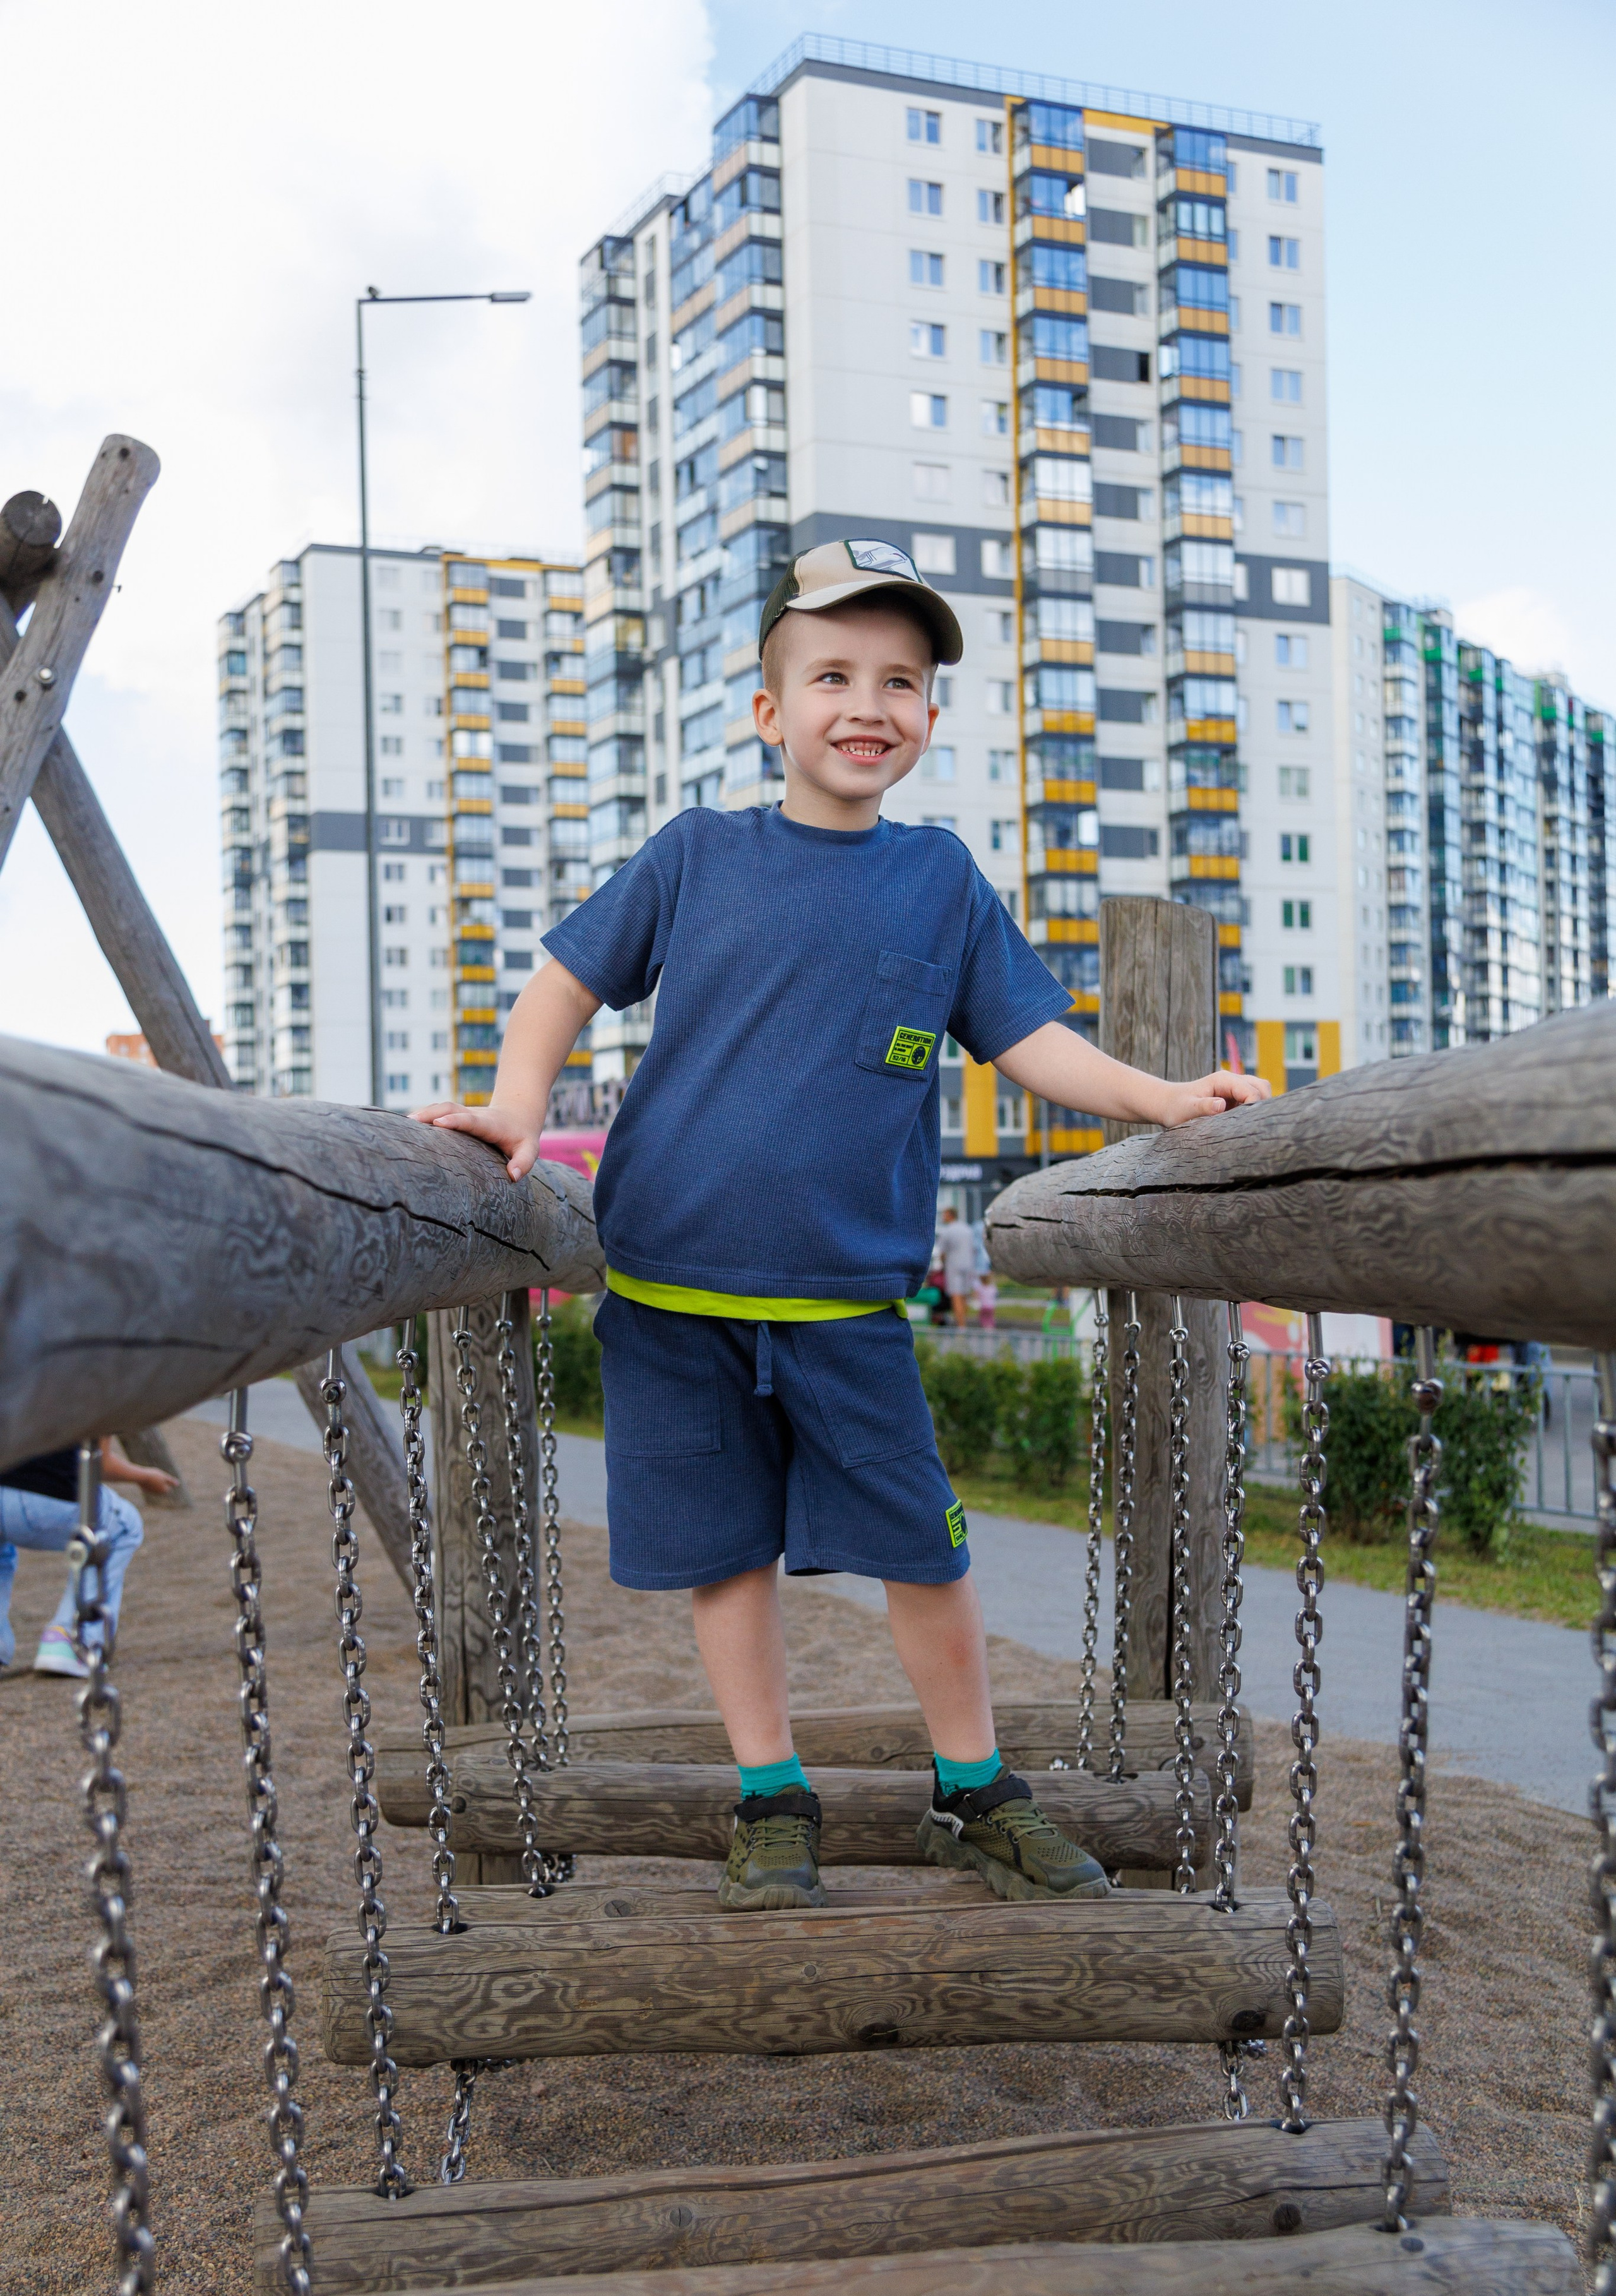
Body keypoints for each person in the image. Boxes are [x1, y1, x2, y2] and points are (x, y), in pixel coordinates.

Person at [413, 536, 1268, 1912]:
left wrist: (1164, 1099)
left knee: (922, 1551)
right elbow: (563, 981)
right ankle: (770, 1794)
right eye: (832, 675)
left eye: (900, 681)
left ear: (927, 718)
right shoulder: (696, 856)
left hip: (845, 1306)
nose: (866, 703)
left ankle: (972, 1789)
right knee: (723, 1556)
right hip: (670, 1293)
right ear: (769, 712)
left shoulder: (936, 882)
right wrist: (516, 1106)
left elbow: (1031, 1039)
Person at [0, 1441, 174, 1678]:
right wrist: (144, 1476)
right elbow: (99, 1462)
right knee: (123, 1525)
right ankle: (72, 1639)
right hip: (46, 1497)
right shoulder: (85, 1400)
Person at [937, 1205, 978, 1329]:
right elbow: (974, 1249)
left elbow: (942, 1252)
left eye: (944, 1215)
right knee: (965, 1294)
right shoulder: (967, 1229)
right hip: (968, 1264)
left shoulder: (947, 1231)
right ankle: (963, 1321)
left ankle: (961, 1326)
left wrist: (944, 1265)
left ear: (950, 1215)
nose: (942, 1217)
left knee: (956, 1295)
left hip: (954, 1265)